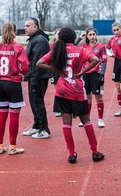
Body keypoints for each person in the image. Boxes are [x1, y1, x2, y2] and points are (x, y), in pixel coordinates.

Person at [36, 27, 105, 164]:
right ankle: (95, 152)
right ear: (74, 37)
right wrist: (83, 72)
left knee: (66, 124)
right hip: (77, 89)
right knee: (86, 121)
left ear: (61, 38)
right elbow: (95, 59)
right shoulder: (80, 50)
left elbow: (39, 63)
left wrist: (56, 70)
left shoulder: (57, 51)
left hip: (62, 90)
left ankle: (71, 154)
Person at [0, 22, 29, 155]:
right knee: (14, 115)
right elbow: (25, 67)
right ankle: (12, 146)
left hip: (0, 84)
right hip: (13, 83)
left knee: (2, 115)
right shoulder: (18, 48)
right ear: (15, 31)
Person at [22, 17, 52, 139]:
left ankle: (44, 129)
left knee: (38, 102)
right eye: (25, 26)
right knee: (34, 102)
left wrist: (33, 79)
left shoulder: (39, 40)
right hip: (34, 76)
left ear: (35, 27)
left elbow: (37, 63)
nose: (25, 28)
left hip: (38, 77)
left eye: (28, 26)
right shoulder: (34, 39)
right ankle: (36, 126)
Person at [79, 28, 107, 128]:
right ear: (86, 36)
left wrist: (102, 74)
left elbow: (104, 61)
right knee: (87, 97)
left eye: (93, 34)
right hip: (85, 74)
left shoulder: (101, 46)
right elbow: (74, 48)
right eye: (90, 35)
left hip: (96, 74)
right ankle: (87, 119)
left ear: (96, 35)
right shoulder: (83, 46)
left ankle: (100, 119)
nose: (92, 36)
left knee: (98, 96)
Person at [51, 28, 62, 117]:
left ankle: (69, 108)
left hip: (64, 70)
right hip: (55, 71)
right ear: (55, 35)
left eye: (60, 33)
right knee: (58, 90)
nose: (59, 35)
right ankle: (59, 109)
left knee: (67, 89)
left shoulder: (65, 45)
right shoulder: (51, 45)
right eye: (57, 33)